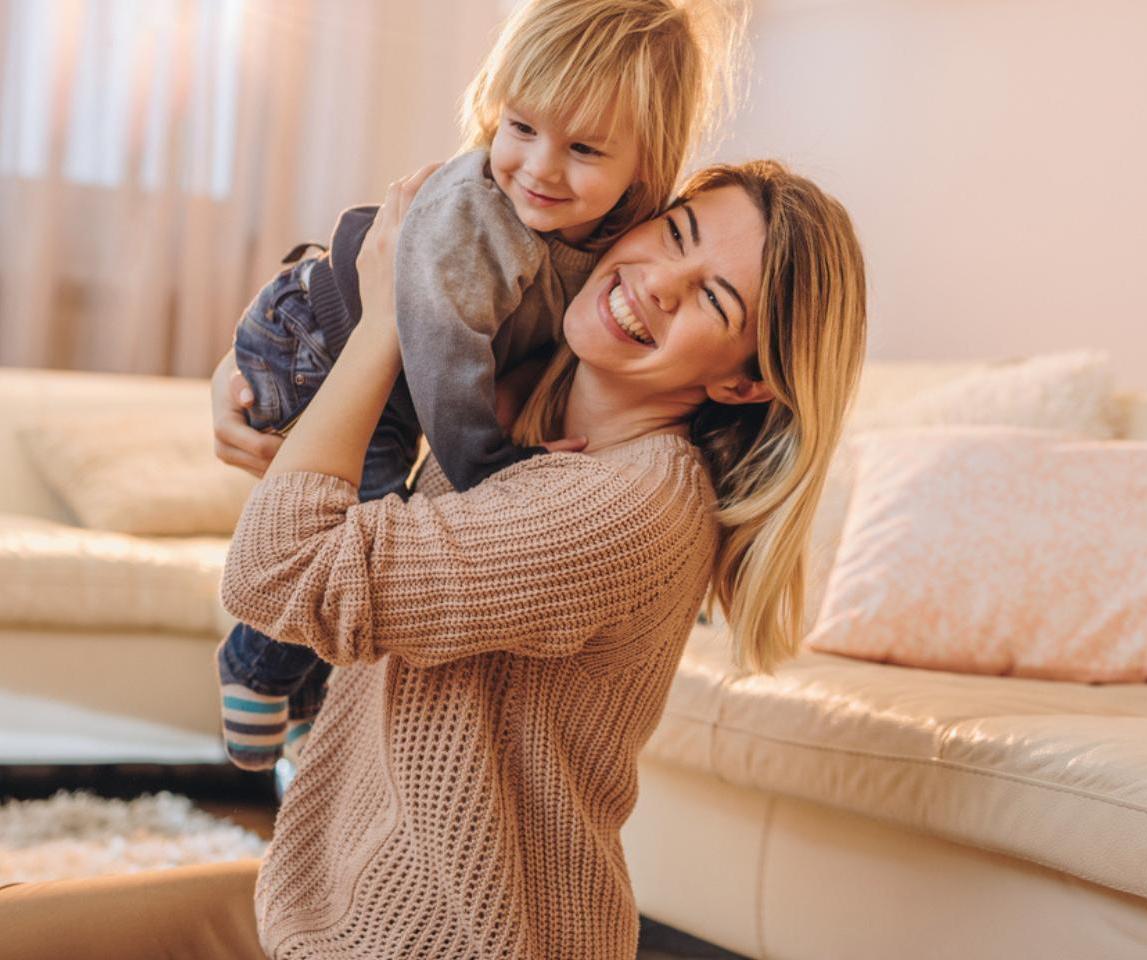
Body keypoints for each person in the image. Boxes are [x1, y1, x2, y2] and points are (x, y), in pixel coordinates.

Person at [0, 158, 866, 960]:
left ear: (741, 383)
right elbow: (331, 302)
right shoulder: (516, 383)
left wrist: (389, 320)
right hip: (325, 899)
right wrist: (247, 375)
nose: (658, 284)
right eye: (676, 235)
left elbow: (281, 571)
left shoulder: (627, 509)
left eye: (713, 299)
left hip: (447, 936)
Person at [215, 0, 744, 771]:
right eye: (520, 127)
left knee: (375, 521)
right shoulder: (484, 216)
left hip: (375, 363)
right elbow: (440, 350)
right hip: (319, 340)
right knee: (356, 527)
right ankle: (254, 665)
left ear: (646, 164)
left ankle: (302, 703)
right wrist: (488, 466)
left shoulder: (615, 238)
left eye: (584, 148)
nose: (540, 167)